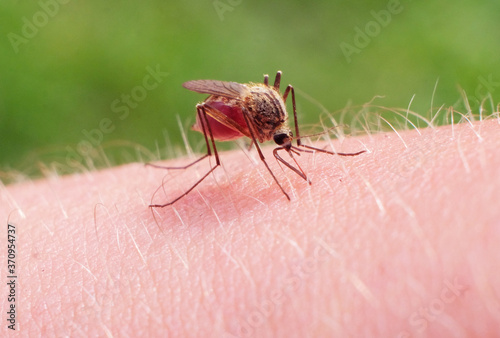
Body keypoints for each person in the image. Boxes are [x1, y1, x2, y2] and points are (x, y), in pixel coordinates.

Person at [3, 118, 499, 336]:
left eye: (288, 139)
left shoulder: (279, 119)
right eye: (285, 140)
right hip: (238, 112)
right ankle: (207, 165)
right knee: (253, 138)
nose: (283, 143)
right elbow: (260, 137)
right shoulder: (263, 130)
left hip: (258, 107)